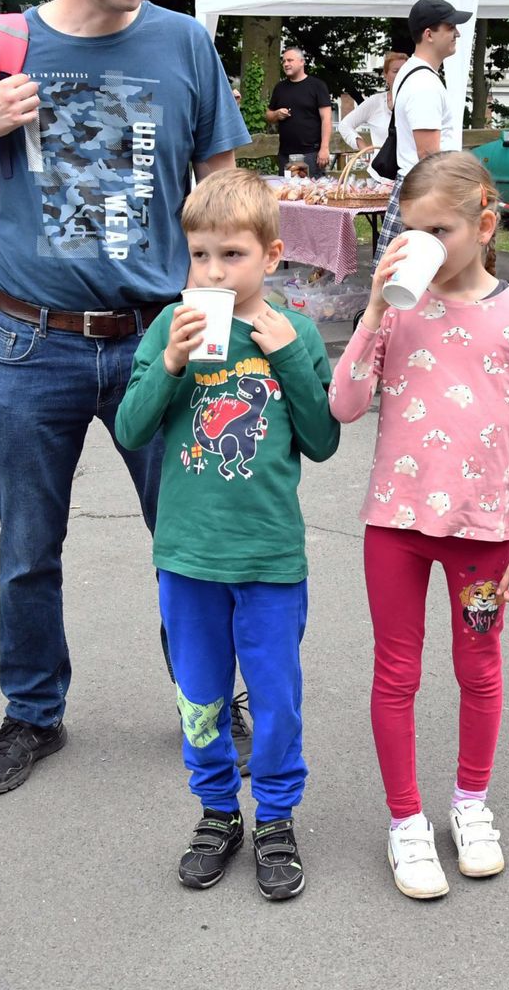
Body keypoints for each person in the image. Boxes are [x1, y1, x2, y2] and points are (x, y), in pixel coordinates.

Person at [0, 0, 249, 796]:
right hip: (30, 341)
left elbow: (222, 198)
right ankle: (32, 713)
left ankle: (208, 699)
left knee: (189, 540)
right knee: (27, 549)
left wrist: (224, 320)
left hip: (159, 337)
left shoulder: (184, 45)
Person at [329, 152, 509, 901]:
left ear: (484, 225)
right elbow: (344, 406)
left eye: (439, 231)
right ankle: (406, 821)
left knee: (479, 668)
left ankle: (470, 803)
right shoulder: (397, 310)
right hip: (394, 527)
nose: (421, 244)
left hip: (482, 537)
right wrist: (372, 310)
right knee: (396, 673)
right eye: (408, 229)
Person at [113, 168, 338, 901]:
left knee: (275, 700)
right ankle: (217, 812)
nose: (213, 272)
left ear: (271, 256)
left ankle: (274, 817)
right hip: (189, 557)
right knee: (201, 697)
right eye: (200, 255)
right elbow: (130, 428)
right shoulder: (169, 326)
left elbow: (322, 439)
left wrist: (289, 356)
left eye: (232, 255)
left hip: (269, 557)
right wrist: (171, 362)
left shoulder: (296, 332)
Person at [381, 0, 471, 242]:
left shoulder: (411, 71)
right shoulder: (424, 84)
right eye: (450, 27)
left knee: (401, 265)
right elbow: (429, 155)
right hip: (426, 194)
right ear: (429, 34)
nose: (457, 33)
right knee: (419, 266)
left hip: (417, 192)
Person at [336, 50, 409, 173]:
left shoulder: (418, 102)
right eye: (395, 71)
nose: (400, 75)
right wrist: (362, 145)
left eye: (405, 71)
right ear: (385, 75)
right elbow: (345, 125)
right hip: (381, 175)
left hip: (410, 173)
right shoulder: (376, 102)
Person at [265, 47, 333, 173]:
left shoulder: (317, 86)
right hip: (285, 154)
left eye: (290, 60)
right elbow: (268, 115)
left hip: (311, 154)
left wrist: (324, 148)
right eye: (284, 61)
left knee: (311, 187)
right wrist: (276, 114)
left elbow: (327, 118)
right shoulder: (280, 88)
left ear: (302, 62)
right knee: (286, 186)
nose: (286, 64)